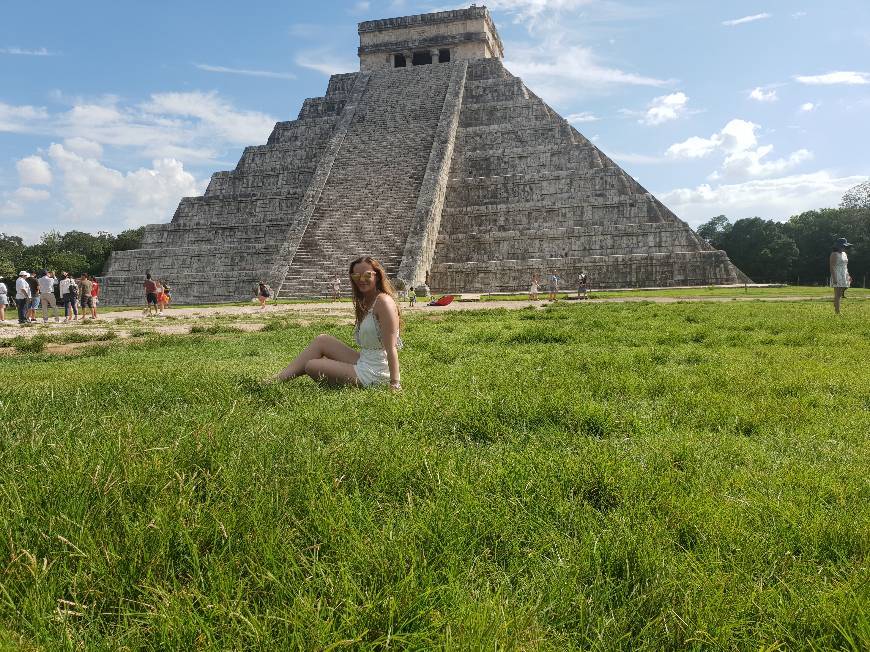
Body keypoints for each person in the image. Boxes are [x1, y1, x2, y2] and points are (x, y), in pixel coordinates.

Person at [273, 256, 402, 390]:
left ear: (377, 276)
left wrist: (394, 382)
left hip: (377, 373)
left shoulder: (383, 302)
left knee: (311, 365)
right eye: (356, 276)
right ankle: (276, 380)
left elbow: (391, 347)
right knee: (323, 340)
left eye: (367, 275)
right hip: (365, 360)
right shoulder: (365, 300)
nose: (361, 280)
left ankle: (278, 381)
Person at [830, 237, 852, 315]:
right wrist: (834, 278)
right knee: (837, 294)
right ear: (839, 246)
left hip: (844, 273)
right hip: (837, 274)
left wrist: (848, 275)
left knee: (840, 293)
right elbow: (832, 266)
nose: (844, 247)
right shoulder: (834, 254)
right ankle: (837, 311)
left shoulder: (844, 254)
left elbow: (845, 265)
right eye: (843, 246)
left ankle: (836, 306)